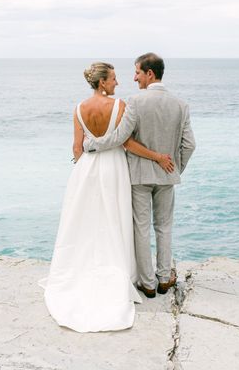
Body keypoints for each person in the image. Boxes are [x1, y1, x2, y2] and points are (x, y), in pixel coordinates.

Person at [41, 62, 174, 332]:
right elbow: (126, 142)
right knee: (117, 219)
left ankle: (84, 267)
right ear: (102, 82)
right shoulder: (120, 106)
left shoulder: (78, 109)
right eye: (113, 79)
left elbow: (77, 148)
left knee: (86, 222)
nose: (117, 83)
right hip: (114, 169)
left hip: (86, 170)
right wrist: (158, 157)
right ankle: (122, 271)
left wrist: (85, 169)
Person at [84, 53, 195, 298]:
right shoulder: (180, 104)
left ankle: (147, 284)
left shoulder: (134, 102)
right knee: (164, 227)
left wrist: (92, 145)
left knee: (142, 229)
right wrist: (175, 168)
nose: (134, 78)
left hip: (139, 177)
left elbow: (121, 138)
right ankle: (165, 279)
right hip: (167, 177)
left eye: (137, 73)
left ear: (149, 74)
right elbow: (189, 145)